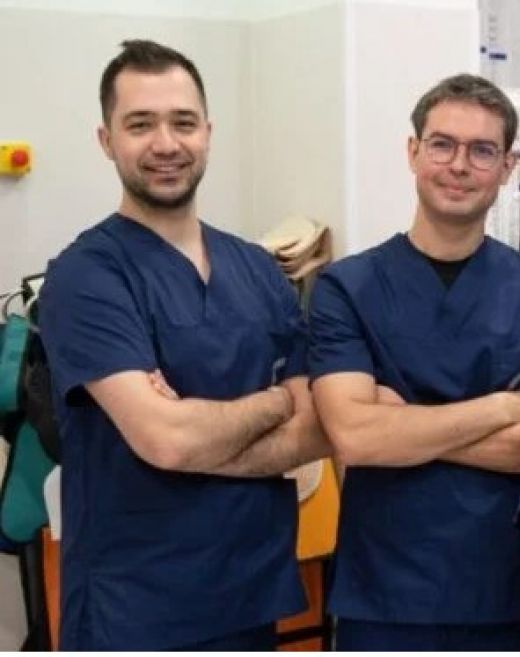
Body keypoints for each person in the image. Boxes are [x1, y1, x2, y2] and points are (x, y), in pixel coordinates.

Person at [38, 40, 329, 650]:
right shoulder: (87, 277)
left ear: (208, 134)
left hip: (249, 589)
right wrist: (275, 401)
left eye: (183, 122)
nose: (166, 143)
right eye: (140, 124)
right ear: (106, 140)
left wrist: (194, 436)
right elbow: (167, 440)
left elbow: (316, 432)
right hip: (137, 605)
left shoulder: (257, 268)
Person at [308, 74, 520, 650]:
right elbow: (355, 438)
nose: (459, 165)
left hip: (510, 591)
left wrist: (401, 426)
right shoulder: (346, 288)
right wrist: (502, 407)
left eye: (482, 151)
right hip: (385, 594)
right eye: (442, 145)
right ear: (413, 152)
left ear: (508, 167)